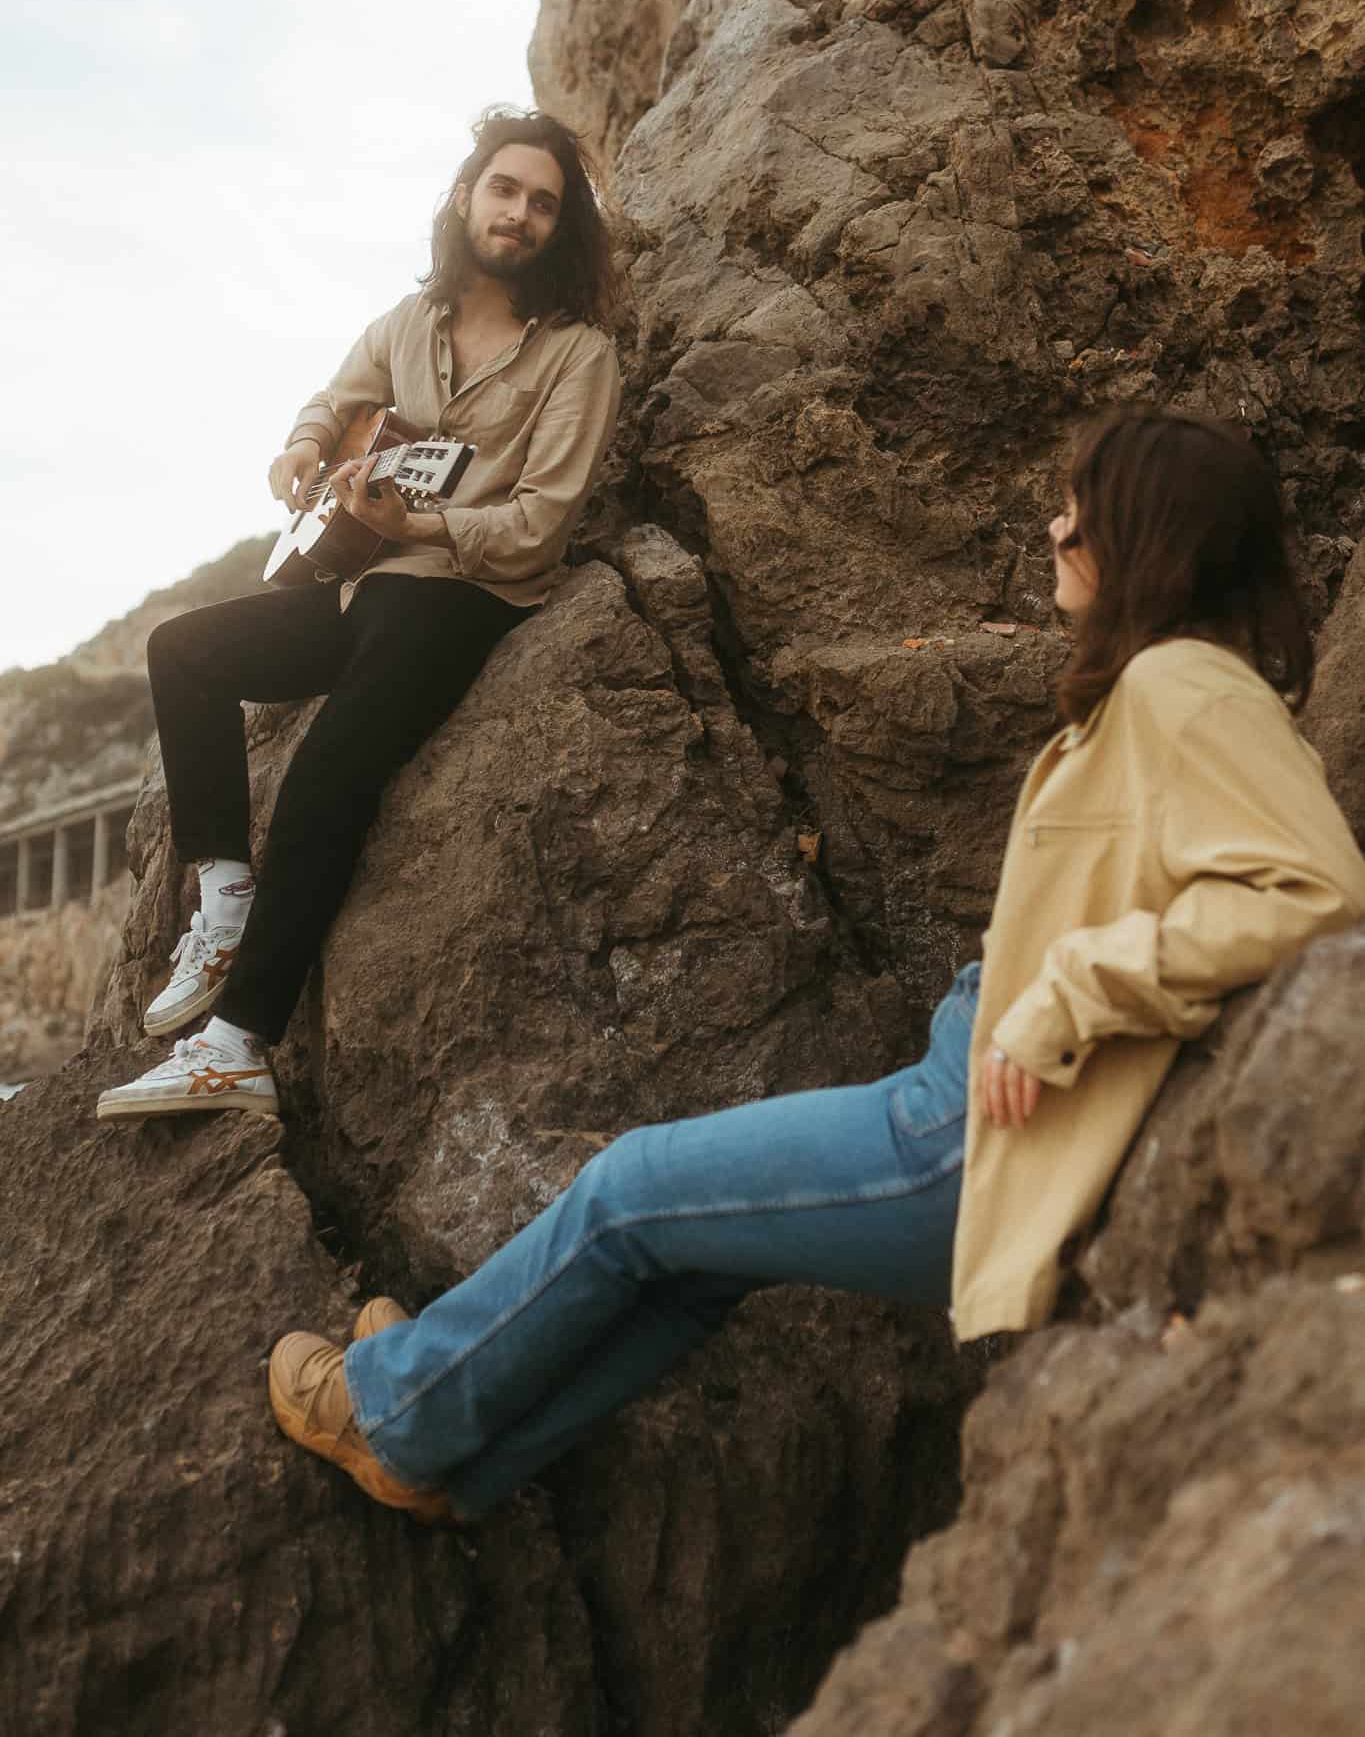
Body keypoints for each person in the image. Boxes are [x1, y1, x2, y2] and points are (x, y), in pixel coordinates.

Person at [266, 409, 1365, 1523]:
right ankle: (455, 1455)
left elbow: (1315, 888)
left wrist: (1067, 999)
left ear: (1148, 532)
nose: (1055, 524)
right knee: (684, 1256)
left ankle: (397, 1410)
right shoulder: (1175, 682)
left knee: (628, 1189)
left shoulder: (1186, 684)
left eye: (1081, 506)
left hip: (970, 1134)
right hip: (965, 1105)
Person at [97, 108, 620, 1124]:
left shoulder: (577, 356)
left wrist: (422, 520)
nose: (519, 212)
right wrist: (300, 452)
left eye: (543, 202)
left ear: (561, 227)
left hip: (463, 599)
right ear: (468, 196)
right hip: (357, 580)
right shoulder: (407, 324)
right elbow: (332, 405)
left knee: (330, 765)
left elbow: (542, 525)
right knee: (184, 650)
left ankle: (239, 1043)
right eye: (505, 189)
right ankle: (224, 899)